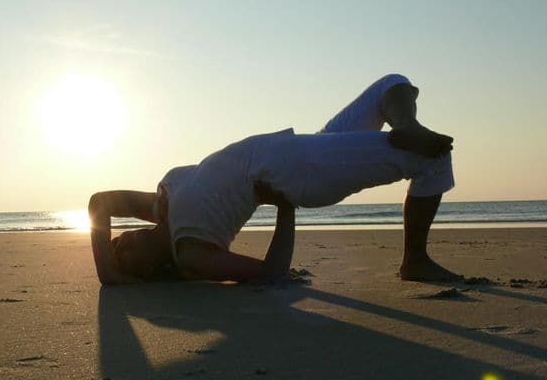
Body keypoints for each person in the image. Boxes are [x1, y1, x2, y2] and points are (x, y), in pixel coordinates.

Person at [89, 74, 460, 285]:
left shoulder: (162, 205)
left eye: (115, 241)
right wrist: (285, 207)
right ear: (147, 270)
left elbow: (99, 203)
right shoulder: (191, 252)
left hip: (301, 147)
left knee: (393, 84)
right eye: (121, 255)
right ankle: (415, 260)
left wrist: (107, 265)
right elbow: (271, 274)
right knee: (434, 159)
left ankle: (406, 125)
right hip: (300, 172)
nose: (119, 243)